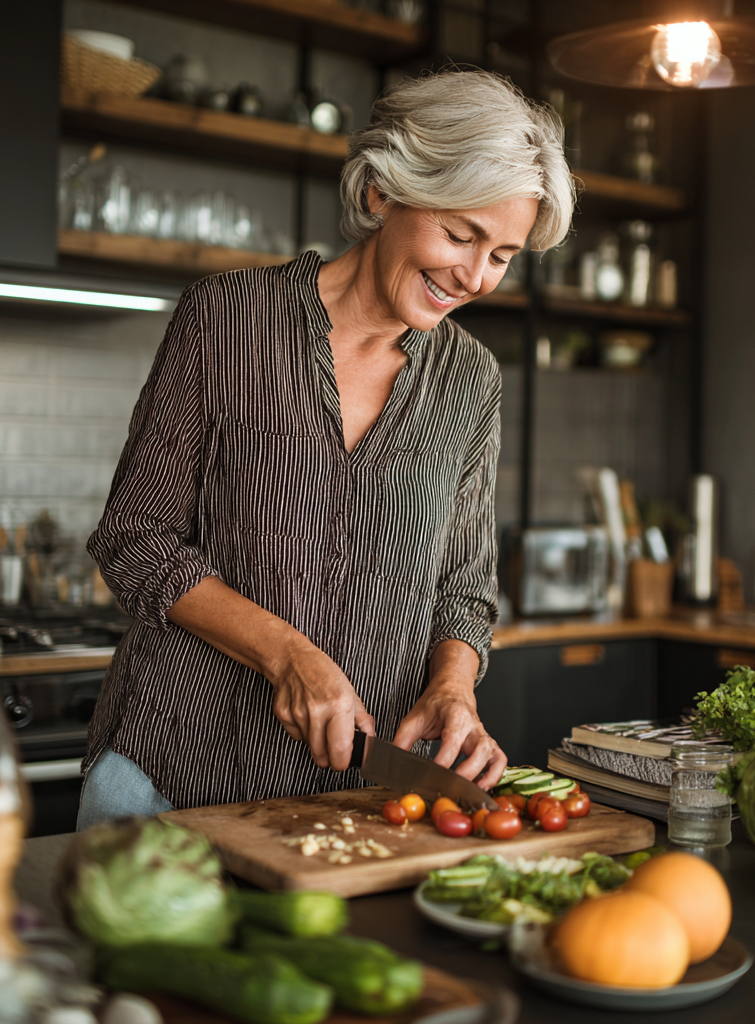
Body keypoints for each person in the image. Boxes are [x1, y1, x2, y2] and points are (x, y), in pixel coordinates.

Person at [77, 69, 575, 828]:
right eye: (460, 234)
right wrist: (288, 654)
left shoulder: (470, 379)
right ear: (382, 193)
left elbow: (465, 590)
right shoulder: (227, 322)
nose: (473, 277)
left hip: (354, 806)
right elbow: (134, 540)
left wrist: (453, 688)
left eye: (502, 254)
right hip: (168, 777)